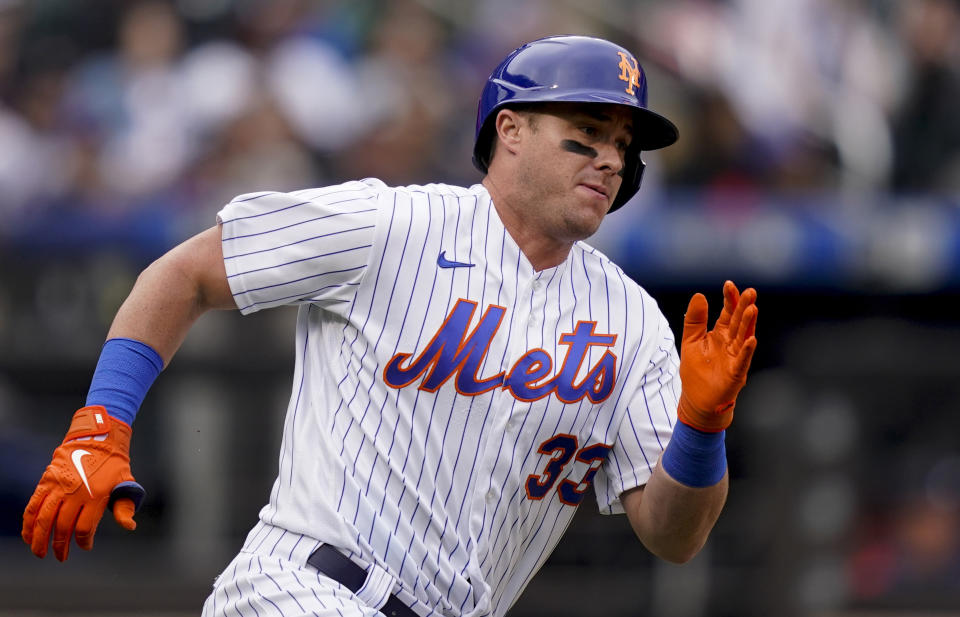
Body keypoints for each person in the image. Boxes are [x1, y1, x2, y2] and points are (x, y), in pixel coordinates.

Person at [22, 35, 758, 617]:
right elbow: (184, 274)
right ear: (511, 131)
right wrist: (100, 423)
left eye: (623, 146)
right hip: (302, 589)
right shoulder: (391, 223)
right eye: (587, 131)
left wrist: (701, 427)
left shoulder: (631, 321)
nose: (610, 158)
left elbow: (674, 533)